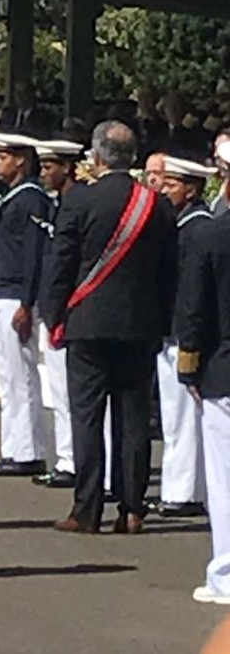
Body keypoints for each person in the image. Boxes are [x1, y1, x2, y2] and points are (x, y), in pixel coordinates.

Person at [46, 121, 177, 535]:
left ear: (98, 156)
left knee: (87, 418)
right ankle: (133, 507)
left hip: (87, 321)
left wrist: (54, 316)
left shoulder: (81, 200)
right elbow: (168, 272)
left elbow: (62, 264)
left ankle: (86, 510)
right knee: (133, 418)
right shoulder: (155, 204)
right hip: (140, 324)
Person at [0, 133, 51, 477]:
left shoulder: (31, 199)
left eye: (3, 157)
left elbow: (33, 254)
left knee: (21, 376)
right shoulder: (14, 198)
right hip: (4, 292)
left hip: (16, 296)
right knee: (8, 377)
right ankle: (14, 447)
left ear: (21, 159)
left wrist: (27, 301)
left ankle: (27, 451)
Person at [177, 195, 230, 605]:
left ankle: (226, 574)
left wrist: (189, 364)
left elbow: (194, 311)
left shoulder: (211, 235)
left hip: (224, 368)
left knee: (224, 481)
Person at [154, 155, 212, 517]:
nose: (164, 190)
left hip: (182, 331)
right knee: (174, 416)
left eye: (172, 185)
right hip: (172, 329)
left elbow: (191, 291)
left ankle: (183, 492)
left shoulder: (195, 229)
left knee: (182, 418)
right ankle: (181, 487)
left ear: (191, 189)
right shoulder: (182, 225)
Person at [33, 139, 85, 490]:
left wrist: (53, 312)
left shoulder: (75, 204)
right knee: (61, 391)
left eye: (49, 166)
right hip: (57, 307)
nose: (44, 173)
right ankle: (68, 457)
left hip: (68, 309)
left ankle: (70, 460)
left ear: (67, 167)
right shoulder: (59, 203)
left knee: (67, 393)